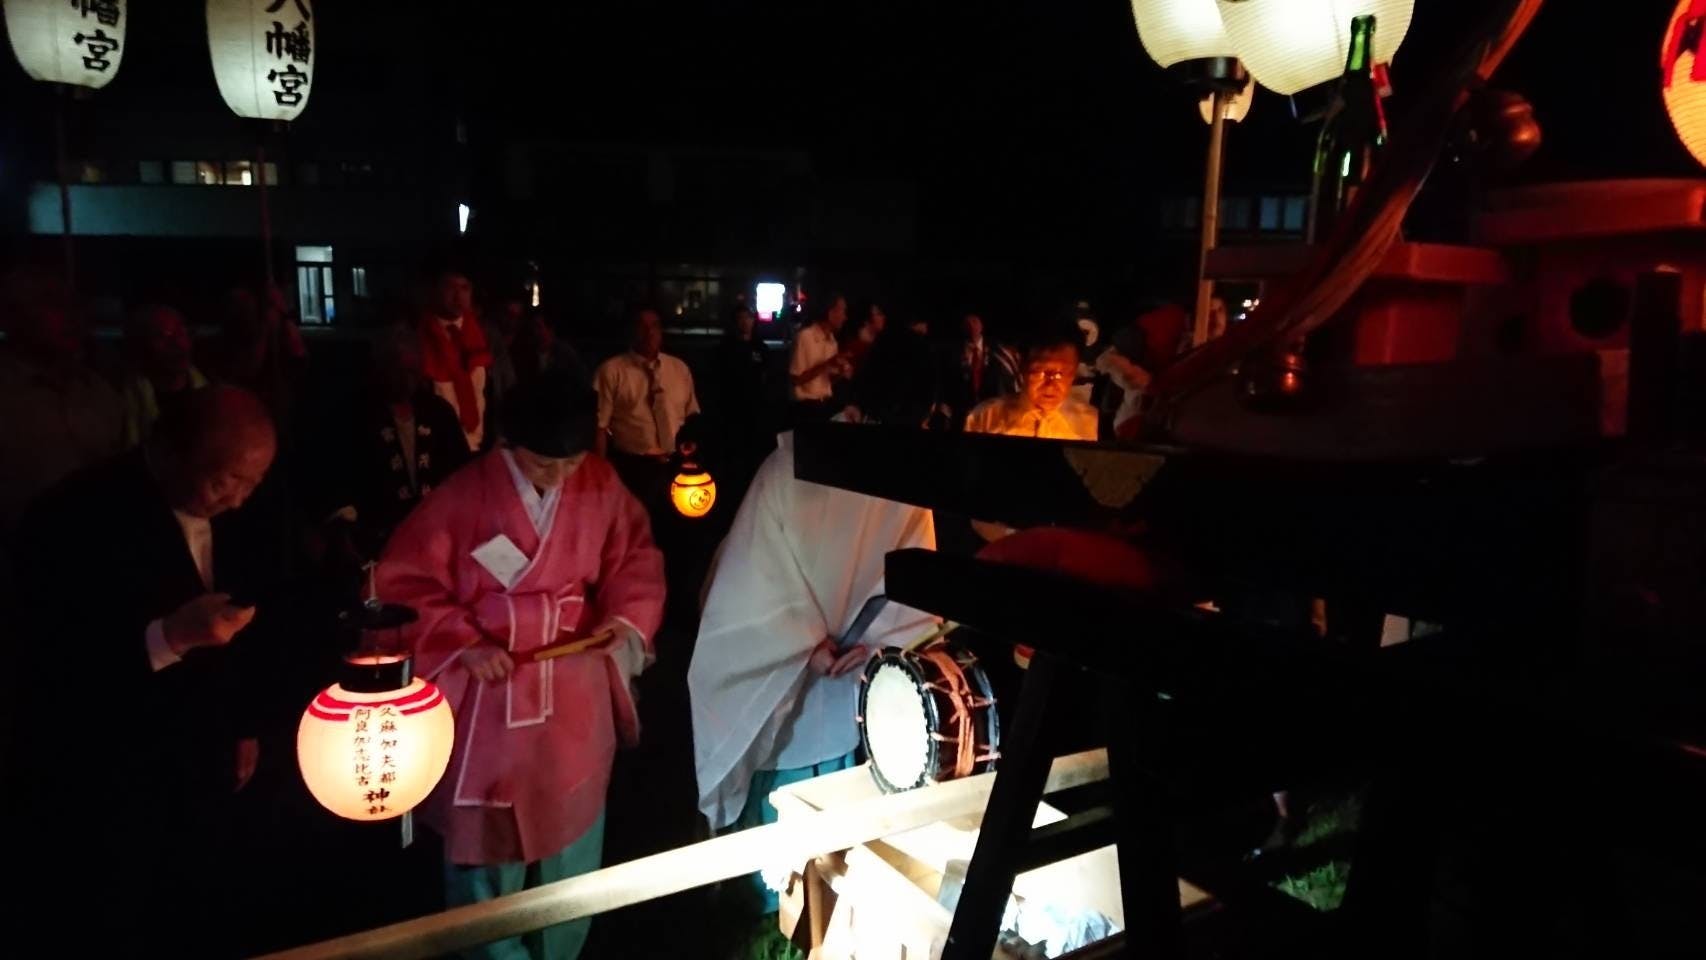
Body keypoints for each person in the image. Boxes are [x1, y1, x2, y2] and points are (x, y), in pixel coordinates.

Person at [377, 369, 664, 960]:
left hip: (572, 666)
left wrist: (622, 620)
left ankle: (563, 946)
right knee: (487, 831)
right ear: (509, 444)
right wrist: (462, 641)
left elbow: (634, 557)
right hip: (491, 681)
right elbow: (404, 581)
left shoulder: (600, 482)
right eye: (542, 464)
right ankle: (491, 949)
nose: (559, 475)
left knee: (573, 815)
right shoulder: (464, 495)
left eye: (571, 462)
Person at [9, 385, 279, 955]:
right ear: (169, 449)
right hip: (113, 766)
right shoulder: (73, 516)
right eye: (224, 482)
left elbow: (257, 624)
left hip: (206, 754)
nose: (237, 500)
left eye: (252, 483)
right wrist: (168, 637)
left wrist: (244, 721)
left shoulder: (243, 515)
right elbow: (47, 661)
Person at [691, 335, 939, 913]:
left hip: (843, 657)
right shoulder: (799, 462)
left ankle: (814, 893)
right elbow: (758, 561)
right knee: (794, 754)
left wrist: (869, 644)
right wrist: (819, 643)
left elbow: (911, 567)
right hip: (813, 661)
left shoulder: (836, 462)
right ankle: (780, 896)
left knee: (835, 764)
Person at [320, 325, 473, 567]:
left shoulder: (438, 411)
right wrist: (343, 529)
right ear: (380, 368)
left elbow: (460, 471)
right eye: (397, 370)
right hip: (377, 535)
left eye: (412, 371)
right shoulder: (354, 413)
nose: (405, 380)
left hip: (435, 534)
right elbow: (338, 475)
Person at [0, 268, 123, 535]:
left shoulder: (98, 390)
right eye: (52, 304)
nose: (72, 317)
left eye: (74, 305)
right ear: (11, 317)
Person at [592, 305, 700, 503]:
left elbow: (691, 414)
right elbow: (599, 426)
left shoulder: (678, 368)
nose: (649, 332)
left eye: (655, 326)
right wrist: (600, 474)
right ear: (632, 331)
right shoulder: (612, 371)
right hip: (633, 466)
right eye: (642, 327)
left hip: (677, 463)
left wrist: (692, 454)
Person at [203, 284, 307, 429]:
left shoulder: (271, 333)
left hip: (273, 413)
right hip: (246, 417)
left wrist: (282, 315)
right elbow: (248, 368)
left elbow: (298, 354)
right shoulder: (224, 345)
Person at [964, 331, 1100, 441]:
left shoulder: (1092, 424)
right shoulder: (985, 418)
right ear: (1022, 366)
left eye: (1061, 374)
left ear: (1075, 372)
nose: (1050, 386)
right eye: (1040, 372)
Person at [418, 264, 494, 451]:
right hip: (439, 446)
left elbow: (491, 393)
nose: (458, 296)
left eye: (465, 288)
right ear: (435, 290)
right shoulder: (418, 337)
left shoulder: (483, 333)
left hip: (481, 444)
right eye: (450, 287)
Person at [118, 303, 207, 448]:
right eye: (164, 336)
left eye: (182, 333)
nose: (179, 343)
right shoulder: (122, 402)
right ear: (141, 347)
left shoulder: (208, 395)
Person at [788, 292, 851, 423]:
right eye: (843, 311)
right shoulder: (805, 336)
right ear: (830, 313)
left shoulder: (832, 341)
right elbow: (795, 380)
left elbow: (826, 382)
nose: (845, 317)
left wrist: (841, 373)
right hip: (806, 408)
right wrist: (827, 364)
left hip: (825, 405)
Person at [948, 311, 1020, 425]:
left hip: (992, 415)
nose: (971, 326)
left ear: (981, 325)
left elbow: (1012, 382)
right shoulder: (951, 354)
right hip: (961, 416)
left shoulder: (999, 352)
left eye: (974, 322)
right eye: (967, 323)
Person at [510, 310, 588, 388]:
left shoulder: (565, 353)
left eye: (539, 327)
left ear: (550, 329)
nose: (535, 331)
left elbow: (580, 378)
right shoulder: (528, 353)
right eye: (533, 327)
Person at [843, 301, 887, 373]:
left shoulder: (875, 344)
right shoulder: (856, 347)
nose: (883, 317)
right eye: (879, 314)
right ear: (866, 320)